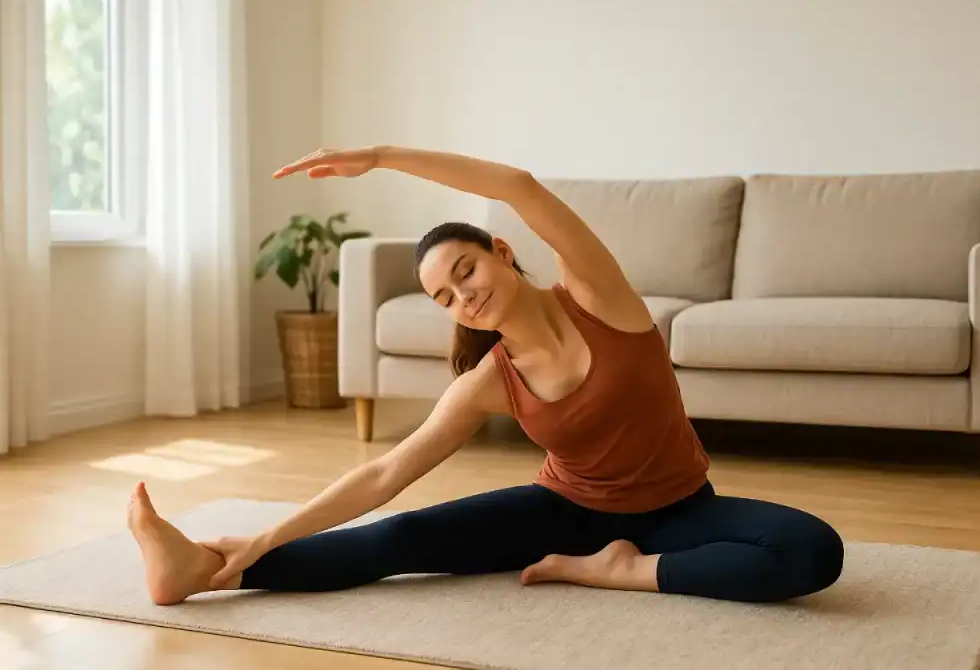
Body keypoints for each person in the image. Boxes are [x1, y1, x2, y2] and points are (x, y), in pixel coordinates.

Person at [127, 145, 844, 607]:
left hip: (680, 509)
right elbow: (385, 475)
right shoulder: (489, 380)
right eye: (446, 295)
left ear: (501, 252)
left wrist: (380, 158)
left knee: (812, 550)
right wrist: (265, 538)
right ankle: (201, 568)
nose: (464, 295)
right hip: (562, 513)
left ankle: (618, 571)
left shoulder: (600, 297)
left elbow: (519, 184)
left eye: (466, 270)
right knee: (400, 540)